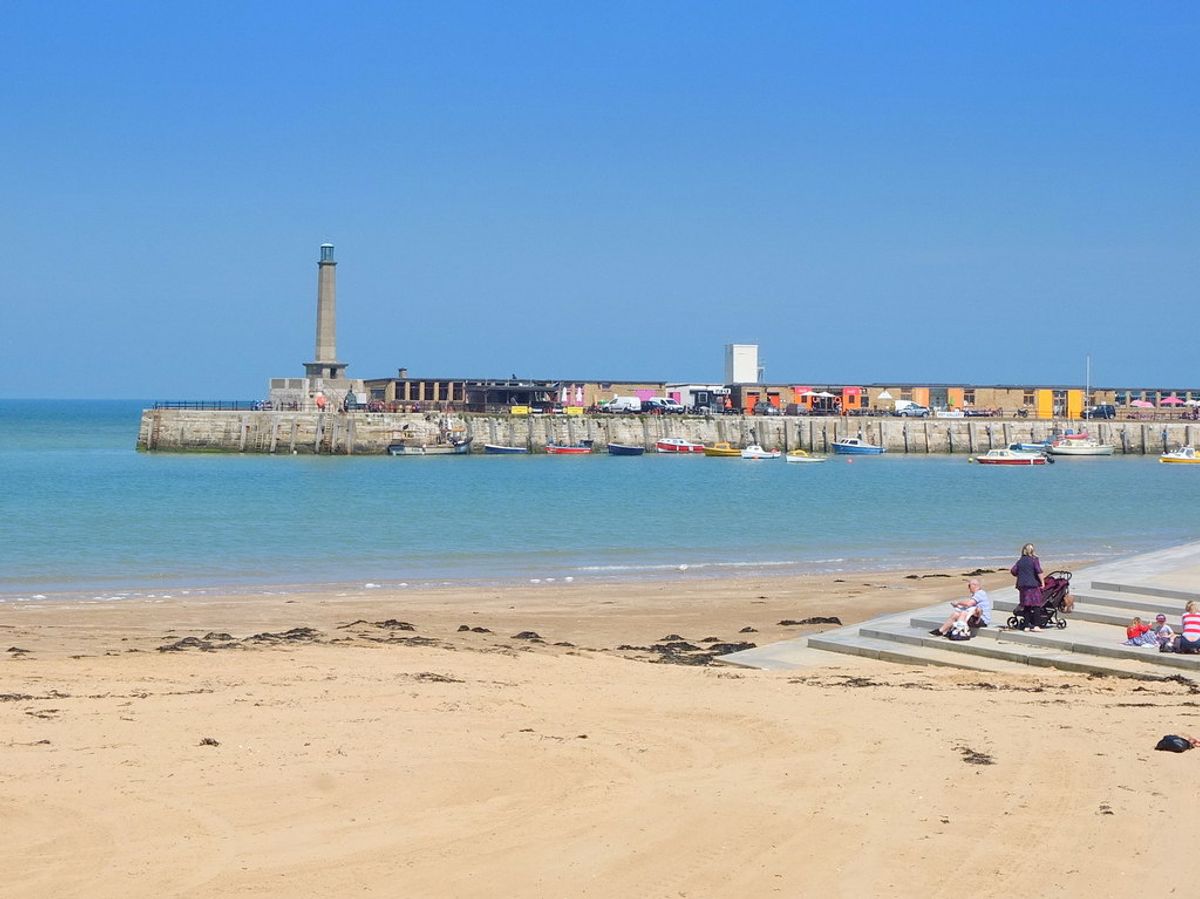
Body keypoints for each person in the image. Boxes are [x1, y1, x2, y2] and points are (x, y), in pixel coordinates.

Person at [1010, 543, 1045, 631]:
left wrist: (1022, 573)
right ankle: (1036, 625)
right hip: (1033, 585)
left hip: (1022, 585)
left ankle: (1026, 626)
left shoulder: (1020, 561)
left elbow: (1013, 571)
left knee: (1026, 605)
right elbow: (1039, 571)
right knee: (1036, 605)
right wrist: (1042, 582)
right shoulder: (1034, 560)